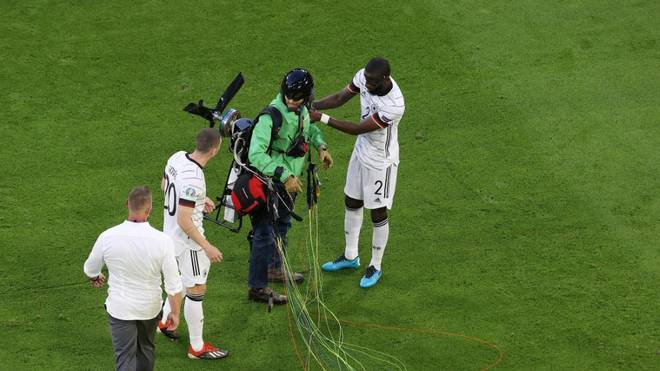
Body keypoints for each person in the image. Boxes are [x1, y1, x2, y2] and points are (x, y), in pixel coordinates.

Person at [310, 57, 405, 288]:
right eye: (367, 80)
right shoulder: (364, 76)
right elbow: (341, 97)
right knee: (352, 201)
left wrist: (320, 118)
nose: (367, 84)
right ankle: (350, 256)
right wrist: (315, 105)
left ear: (385, 78)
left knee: (377, 211)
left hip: (381, 161)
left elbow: (358, 129)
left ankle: (375, 265)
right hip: (361, 152)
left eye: (373, 81)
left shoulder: (394, 105)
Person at [247, 67, 333, 304]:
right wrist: (284, 175)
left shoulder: (302, 110)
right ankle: (257, 287)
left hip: (289, 185)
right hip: (270, 184)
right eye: (288, 97)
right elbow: (255, 154)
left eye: (297, 98)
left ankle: (274, 269)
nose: (291, 101)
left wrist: (321, 146)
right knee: (264, 233)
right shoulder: (270, 117)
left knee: (283, 225)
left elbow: (308, 130)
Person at [83, 186, 183, 371]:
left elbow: (90, 268)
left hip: (120, 309)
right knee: (146, 350)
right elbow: (173, 284)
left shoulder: (108, 236)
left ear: (127, 204)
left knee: (125, 358)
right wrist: (175, 313)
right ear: (150, 209)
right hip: (150, 308)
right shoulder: (163, 241)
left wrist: (95, 276)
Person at [157, 128, 228, 360]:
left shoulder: (177, 157)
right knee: (196, 289)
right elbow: (185, 220)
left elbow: (165, 185)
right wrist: (207, 246)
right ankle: (196, 347)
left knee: (175, 281)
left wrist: (198, 199)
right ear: (215, 149)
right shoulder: (195, 178)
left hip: (168, 236)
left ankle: (165, 321)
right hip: (188, 243)